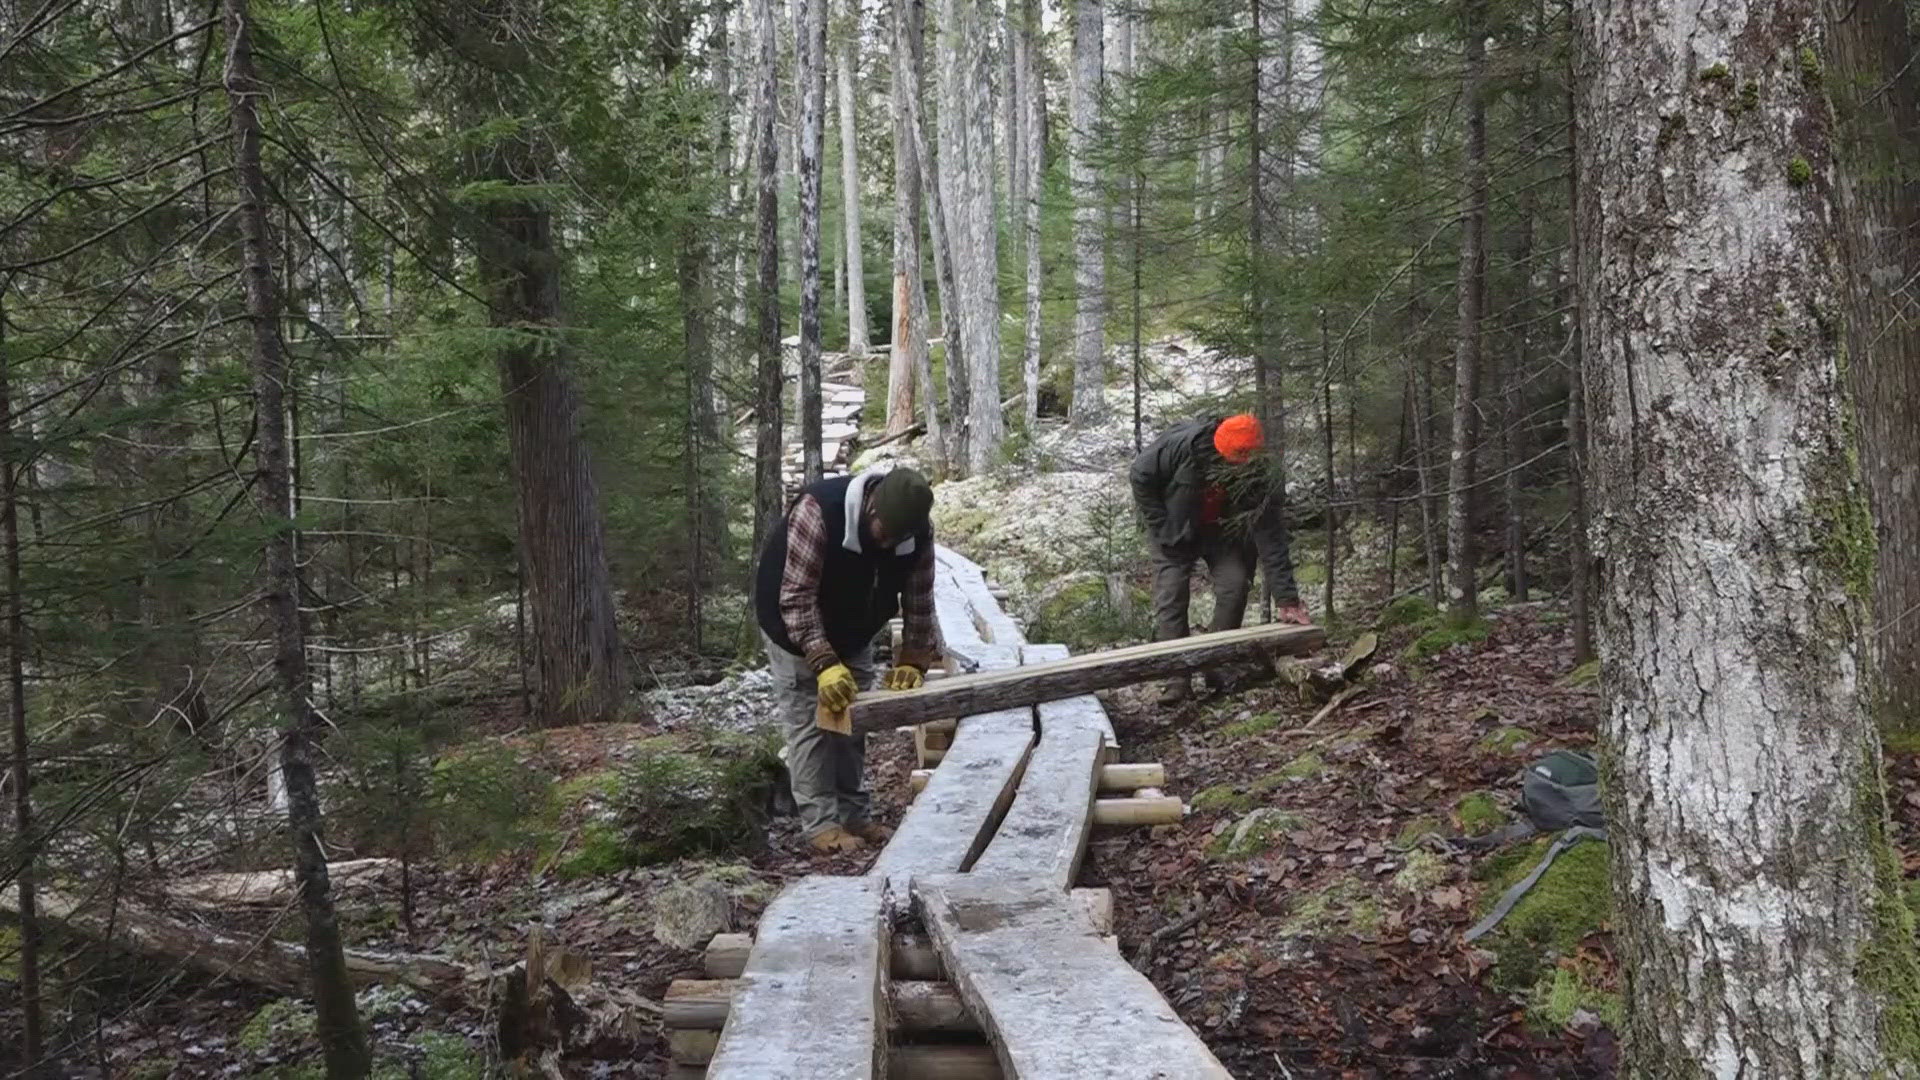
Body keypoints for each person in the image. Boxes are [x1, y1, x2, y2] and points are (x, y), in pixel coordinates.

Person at [754, 467, 938, 852]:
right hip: (792, 628)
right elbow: (797, 598)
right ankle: (821, 825)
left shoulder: (918, 533)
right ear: (870, 509)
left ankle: (854, 814)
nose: (888, 544)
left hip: (855, 630)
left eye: (897, 538)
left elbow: (919, 598)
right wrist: (822, 661)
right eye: (884, 533)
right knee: (811, 723)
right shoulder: (819, 512)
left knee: (851, 721)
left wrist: (915, 656)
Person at [1129, 413, 1308, 705]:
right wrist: (1161, 525)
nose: (1237, 467)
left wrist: (1287, 599)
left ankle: (1216, 663)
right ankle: (1177, 679)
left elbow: (1271, 536)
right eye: (1233, 460)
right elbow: (1139, 475)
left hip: (1223, 532)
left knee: (1235, 585)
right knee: (1171, 595)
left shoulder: (1261, 474)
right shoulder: (1182, 446)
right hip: (1174, 529)